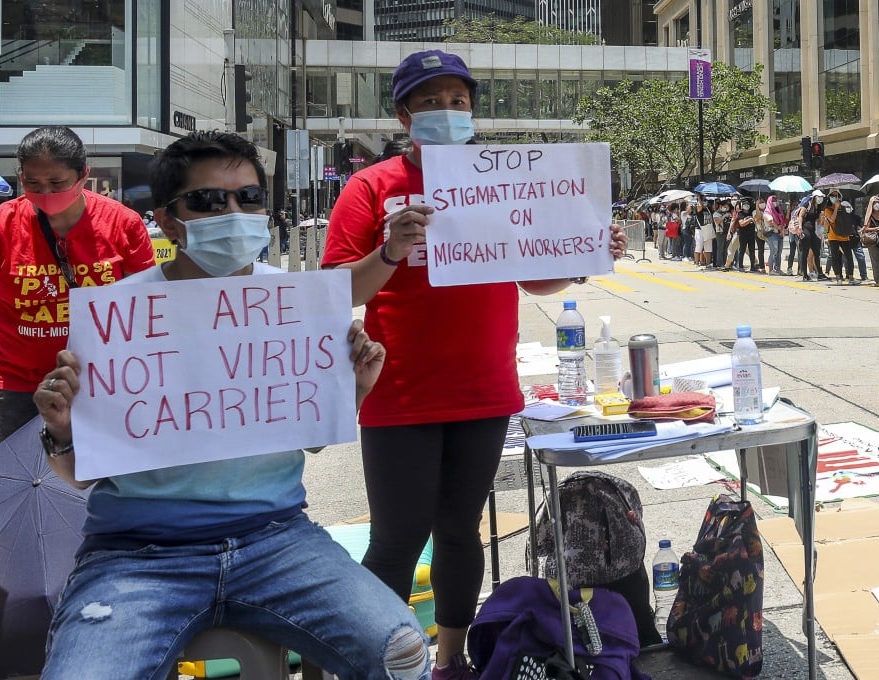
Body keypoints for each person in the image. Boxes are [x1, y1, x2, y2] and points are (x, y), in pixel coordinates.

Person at [32, 130, 430, 680]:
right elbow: (77, 476)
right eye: (210, 201)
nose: (234, 211)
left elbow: (309, 435)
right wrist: (61, 428)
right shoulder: (116, 319)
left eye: (248, 197)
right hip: (137, 554)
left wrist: (353, 389)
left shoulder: (297, 303)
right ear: (169, 220)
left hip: (277, 539)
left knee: (404, 655)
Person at [320, 49, 628, 679]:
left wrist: (584, 252)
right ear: (404, 114)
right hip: (400, 392)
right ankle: (379, 661)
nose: (446, 112)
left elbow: (534, 274)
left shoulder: (497, 179)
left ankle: (449, 658)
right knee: (397, 538)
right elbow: (337, 287)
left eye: (458, 101)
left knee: (460, 530)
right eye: (431, 102)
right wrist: (390, 248)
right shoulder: (371, 187)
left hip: (484, 390)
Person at [0, 126, 154, 443]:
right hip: (18, 384)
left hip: (101, 379)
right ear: (21, 176)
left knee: (97, 479)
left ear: (83, 175)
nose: (45, 193)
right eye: (32, 183)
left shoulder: (123, 223)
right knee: (23, 477)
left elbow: (147, 298)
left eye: (57, 183)